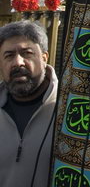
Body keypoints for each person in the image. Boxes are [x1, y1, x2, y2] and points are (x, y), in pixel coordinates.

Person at [0, 21, 58, 187]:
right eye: (9, 55)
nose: (18, 62)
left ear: (44, 58)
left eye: (26, 53)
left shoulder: (69, 109)